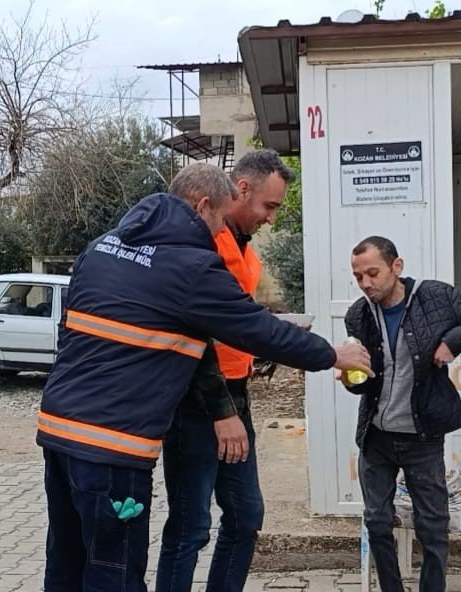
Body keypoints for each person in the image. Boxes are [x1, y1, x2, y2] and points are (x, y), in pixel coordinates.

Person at [38, 162, 371, 592]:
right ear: (202, 205)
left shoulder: (101, 247)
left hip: (58, 432)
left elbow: (69, 332)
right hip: (113, 448)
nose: (218, 234)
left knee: (66, 564)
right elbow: (258, 329)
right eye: (217, 221)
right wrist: (333, 355)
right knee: (114, 573)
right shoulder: (191, 266)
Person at [156, 149, 294, 592]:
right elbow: (194, 332)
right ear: (243, 189)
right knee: (191, 525)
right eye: (269, 207)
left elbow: (237, 318)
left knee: (245, 515)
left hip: (235, 394)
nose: (270, 219)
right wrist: (221, 412)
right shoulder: (203, 239)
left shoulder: (241, 244)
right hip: (197, 400)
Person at [343, 236, 461, 592]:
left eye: (373, 273)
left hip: (422, 437)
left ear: (396, 266)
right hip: (376, 436)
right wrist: (349, 377)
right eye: (359, 277)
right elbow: (362, 385)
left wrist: (453, 342)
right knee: (376, 521)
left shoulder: (434, 298)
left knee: (433, 526)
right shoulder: (357, 315)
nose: (366, 284)